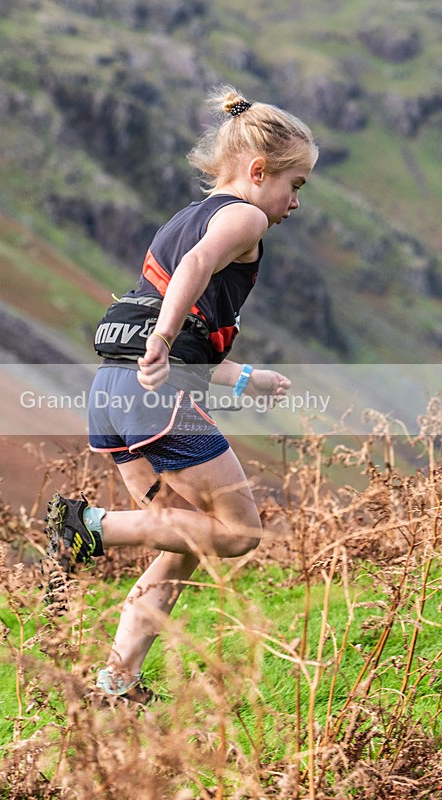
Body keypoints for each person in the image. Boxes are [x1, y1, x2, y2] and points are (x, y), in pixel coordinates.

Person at [44, 86, 319, 703]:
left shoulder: (179, 219)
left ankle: (116, 684)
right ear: (257, 172)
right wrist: (167, 336)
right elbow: (190, 280)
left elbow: (166, 335)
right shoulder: (244, 216)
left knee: (185, 537)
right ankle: (90, 526)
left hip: (115, 395)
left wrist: (241, 376)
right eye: (295, 184)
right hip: (155, 399)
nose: (295, 202)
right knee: (241, 534)